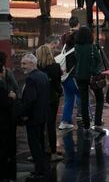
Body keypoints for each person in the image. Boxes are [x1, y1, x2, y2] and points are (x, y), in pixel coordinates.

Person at [15, 54, 50, 180]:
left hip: (33, 117)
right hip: (42, 116)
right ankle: (42, 169)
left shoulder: (31, 79)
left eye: (24, 64)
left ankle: (39, 171)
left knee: (34, 145)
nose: (22, 66)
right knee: (40, 144)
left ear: (32, 64)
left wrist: (22, 114)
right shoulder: (43, 75)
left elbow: (30, 100)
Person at [35, 45, 64, 162]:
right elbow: (58, 84)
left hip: (39, 99)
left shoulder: (37, 67)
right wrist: (59, 92)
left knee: (40, 125)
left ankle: (40, 151)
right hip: (52, 98)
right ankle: (53, 152)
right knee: (51, 124)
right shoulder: (55, 66)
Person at [74, 26, 104, 134]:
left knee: (84, 100)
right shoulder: (92, 47)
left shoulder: (76, 46)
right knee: (99, 98)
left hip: (80, 76)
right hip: (92, 76)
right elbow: (99, 60)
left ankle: (86, 125)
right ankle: (97, 122)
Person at [59, 17, 82, 130]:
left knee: (69, 98)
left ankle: (65, 121)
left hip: (64, 75)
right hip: (73, 74)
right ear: (78, 24)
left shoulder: (65, 37)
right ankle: (84, 116)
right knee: (81, 94)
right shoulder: (79, 37)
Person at [0, 52, 17, 182]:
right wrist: (11, 97)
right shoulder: (7, 74)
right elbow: (14, 89)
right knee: (7, 140)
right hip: (5, 116)